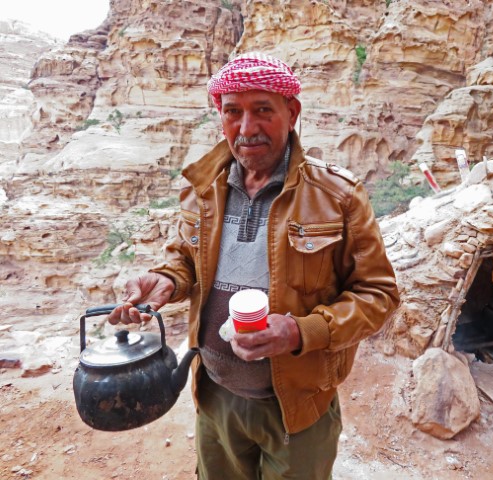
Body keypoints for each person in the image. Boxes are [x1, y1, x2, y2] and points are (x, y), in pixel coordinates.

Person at [108, 52, 399, 479]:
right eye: (233, 113)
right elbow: (184, 260)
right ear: (221, 117)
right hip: (215, 397)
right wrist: (166, 281)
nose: (246, 129)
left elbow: (379, 295)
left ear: (291, 112)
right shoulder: (202, 189)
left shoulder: (339, 196)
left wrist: (300, 331)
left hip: (296, 405)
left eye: (263, 110)